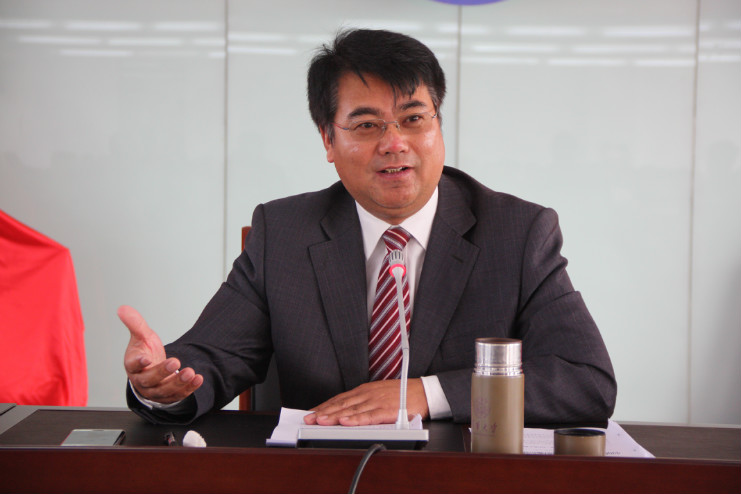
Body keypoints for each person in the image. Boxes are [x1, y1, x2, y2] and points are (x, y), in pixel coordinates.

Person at [122, 28, 617, 426]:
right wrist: (161, 384)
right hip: (322, 475)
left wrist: (427, 394)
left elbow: (586, 381)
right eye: (366, 125)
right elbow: (211, 355)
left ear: (438, 126)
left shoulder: (517, 233)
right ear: (328, 140)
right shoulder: (285, 233)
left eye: (414, 119)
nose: (394, 142)